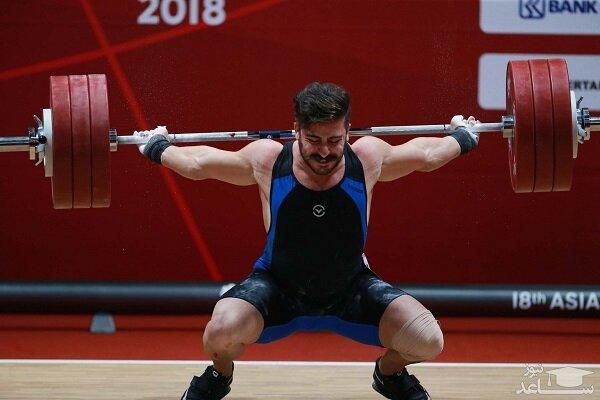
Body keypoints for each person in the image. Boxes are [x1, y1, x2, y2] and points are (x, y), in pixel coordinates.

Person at [135, 82, 480, 400]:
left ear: (348, 130)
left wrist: (463, 136)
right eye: (314, 140)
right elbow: (199, 164)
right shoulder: (268, 160)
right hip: (277, 289)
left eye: (334, 140)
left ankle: (389, 374)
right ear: (296, 129)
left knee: (429, 340)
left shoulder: (367, 159)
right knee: (219, 331)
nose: (325, 152)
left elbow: (426, 155)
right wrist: (157, 146)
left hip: (351, 290)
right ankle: (218, 375)